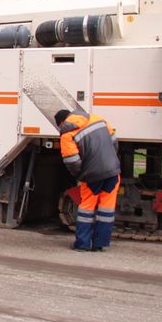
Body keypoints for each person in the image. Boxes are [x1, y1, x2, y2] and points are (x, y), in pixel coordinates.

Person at [55, 108, 121, 252]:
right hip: (113, 172)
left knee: (86, 209)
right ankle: (100, 244)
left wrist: (80, 176)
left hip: (92, 176)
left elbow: (72, 161)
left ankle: (83, 244)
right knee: (106, 210)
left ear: (62, 122)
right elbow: (114, 144)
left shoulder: (67, 134)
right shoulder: (99, 120)